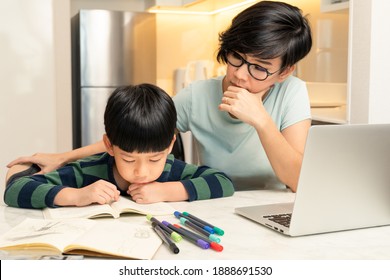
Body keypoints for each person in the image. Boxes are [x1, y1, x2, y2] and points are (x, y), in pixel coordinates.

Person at [6, 1, 312, 193]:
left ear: (284, 72)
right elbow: (137, 139)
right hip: (209, 201)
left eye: (260, 68)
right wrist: (64, 157)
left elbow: (299, 183)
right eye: (236, 58)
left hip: (269, 205)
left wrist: (261, 121)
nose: (242, 75)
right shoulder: (198, 95)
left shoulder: (292, 93)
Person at [4, 84, 234, 209]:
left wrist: (168, 190)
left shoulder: (171, 170)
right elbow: (15, 189)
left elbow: (223, 182)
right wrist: (76, 195)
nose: (142, 171)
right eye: (129, 159)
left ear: (170, 146)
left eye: (155, 159)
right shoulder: (88, 171)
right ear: (109, 146)